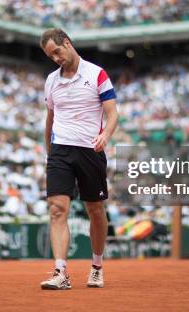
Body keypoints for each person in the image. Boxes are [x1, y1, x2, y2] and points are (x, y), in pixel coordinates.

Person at [39, 28, 118, 290]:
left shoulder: (97, 74)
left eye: (57, 52)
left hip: (90, 150)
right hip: (60, 150)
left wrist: (105, 134)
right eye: (51, 56)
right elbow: (50, 118)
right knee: (56, 209)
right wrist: (49, 153)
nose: (56, 58)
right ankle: (60, 272)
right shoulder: (51, 81)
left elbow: (112, 113)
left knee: (95, 210)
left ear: (67, 43)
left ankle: (96, 267)